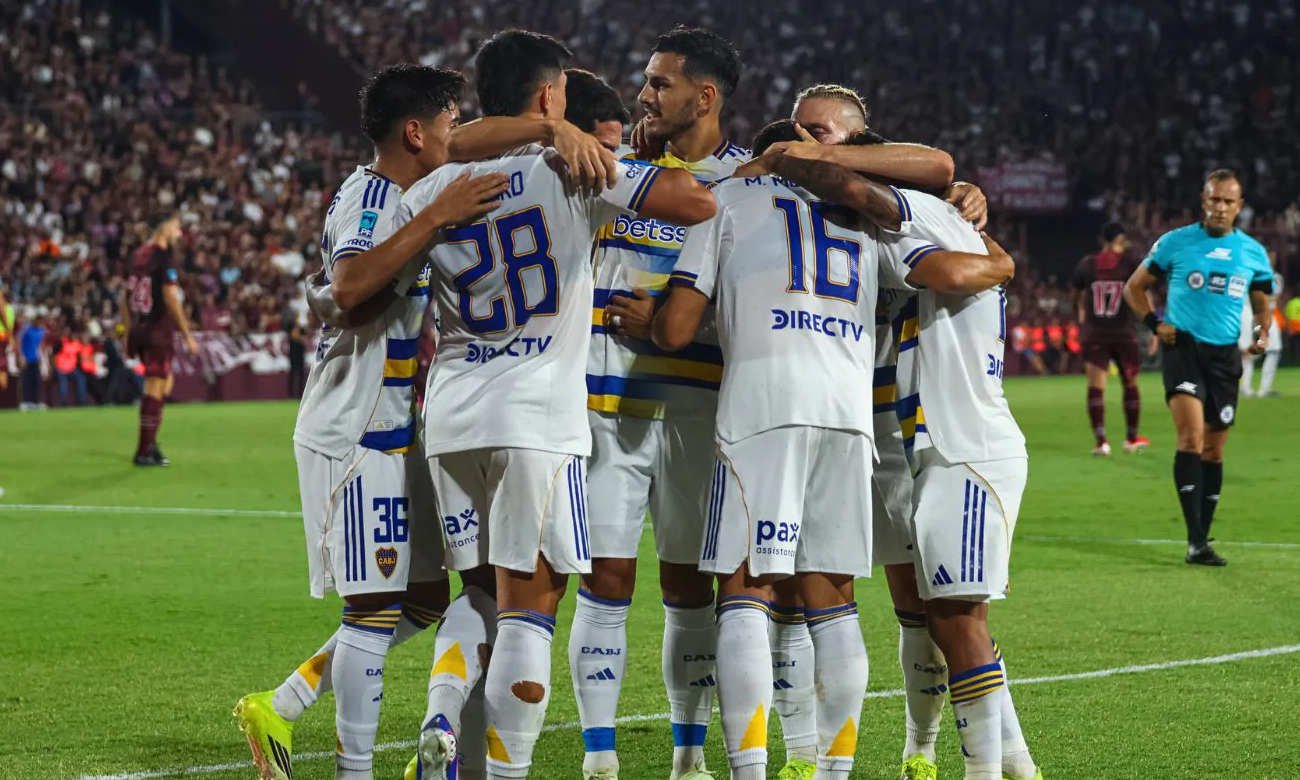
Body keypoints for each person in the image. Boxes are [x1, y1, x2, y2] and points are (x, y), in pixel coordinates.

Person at [633, 119, 1011, 780]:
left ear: (757, 160)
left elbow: (679, 328)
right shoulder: (861, 217)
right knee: (833, 602)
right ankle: (834, 773)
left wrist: (654, 320)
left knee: (746, 593)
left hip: (761, 405)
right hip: (848, 415)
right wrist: (995, 250)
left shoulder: (722, 200)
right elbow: (946, 268)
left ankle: (750, 771)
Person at [399, 29, 715, 780]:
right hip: (536, 417)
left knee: (475, 587)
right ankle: (506, 771)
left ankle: (444, 715)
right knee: (530, 609)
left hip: (449, 417)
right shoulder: (572, 171)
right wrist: (616, 162)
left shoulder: (431, 186)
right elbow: (693, 203)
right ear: (550, 96)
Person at [232, 64, 517, 780]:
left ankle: (282, 705)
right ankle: (354, 770)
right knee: (373, 610)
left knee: (424, 598)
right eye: (451, 124)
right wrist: (434, 221)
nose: (458, 136)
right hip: (354, 433)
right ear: (415, 132)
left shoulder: (413, 194)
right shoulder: (372, 198)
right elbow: (351, 286)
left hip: (401, 431)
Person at [574, 27, 746, 780]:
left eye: (659, 84)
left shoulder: (746, 181)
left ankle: (688, 756)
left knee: (688, 582)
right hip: (607, 404)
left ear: (704, 96)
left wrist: (684, 323)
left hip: (702, 411)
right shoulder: (619, 168)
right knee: (605, 577)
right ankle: (599, 761)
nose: (643, 95)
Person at [1124, 169, 1274, 567]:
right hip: (1184, 350)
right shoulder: (1175, 243)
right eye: (1214, 199)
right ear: (1203, 201)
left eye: (1228, 201)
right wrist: (1155, 324)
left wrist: (1261, 334)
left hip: (1225, 357)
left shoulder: (1254, 253)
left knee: (1213, 449)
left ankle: (1201, 536)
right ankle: (1195, 542)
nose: (1220, 207)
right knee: (1189, 438)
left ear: (1239, 207)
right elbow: (1133, 287)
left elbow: (1262, 305)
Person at [122, 211, 198, 466]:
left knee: (163, 384)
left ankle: (150, 442)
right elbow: (170, 299)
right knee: (155, 387)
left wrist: (129, 329)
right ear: (164, 228)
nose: (179, 233)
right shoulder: (161, 257)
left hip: (141, 327)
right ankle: (144, 450)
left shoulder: (138, 255)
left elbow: (124, 296)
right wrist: (187, 335)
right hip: (157, 329)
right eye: (176, 227)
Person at [1071, 222, 1150, 455]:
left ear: (1102, 240)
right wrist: (1151, 323)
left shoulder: (1087, 264)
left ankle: (1101, 442)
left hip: (1096, 333)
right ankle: (1131, 439)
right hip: (1124, 333)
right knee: (1131, 384)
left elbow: (1076, 296)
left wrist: (1082, 319)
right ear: (1121, 240)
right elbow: (1142, 292)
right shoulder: (1129, 263)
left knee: (1096, 387)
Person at [1239, 263, 1283, 397]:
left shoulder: (1275, 277)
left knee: (1273, 350)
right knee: (1248, 352)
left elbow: (1274, 297)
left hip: (1265, 313)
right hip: (1247, 312)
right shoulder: (1245, 272)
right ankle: (1245, 388)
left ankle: (1262, 389)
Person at [18, 310, 48, 411]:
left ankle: (35, 402)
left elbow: (41, 345)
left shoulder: (41, 331)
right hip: (26, 359)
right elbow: (19, 341)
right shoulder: (26, 329)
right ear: (35, 320)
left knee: (36, 382)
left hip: (36, 359)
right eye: (39, 321)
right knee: (26, 381)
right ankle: (25, 402)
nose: (40, 323)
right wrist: (21, 356)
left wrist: (42, 359)